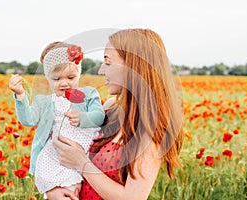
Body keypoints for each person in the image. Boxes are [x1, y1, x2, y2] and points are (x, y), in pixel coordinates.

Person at [53, 28, 184, 199]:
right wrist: (56, 190)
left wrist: (80, 163)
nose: (101, 71)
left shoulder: (151, 130)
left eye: (108, 63)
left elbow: (132, 197)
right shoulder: (110, 108)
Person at [8, 41, 105, 199]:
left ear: (78, 74)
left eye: (71, 77)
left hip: (82, 156)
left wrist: (83, 117)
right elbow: (28, 120)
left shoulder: (88, 94)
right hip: (54, 157)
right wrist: (20, 96)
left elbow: (99, 116)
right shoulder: (44, 102)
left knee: (76, 191)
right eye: (57, 79)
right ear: (49, 79)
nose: (64, 83)